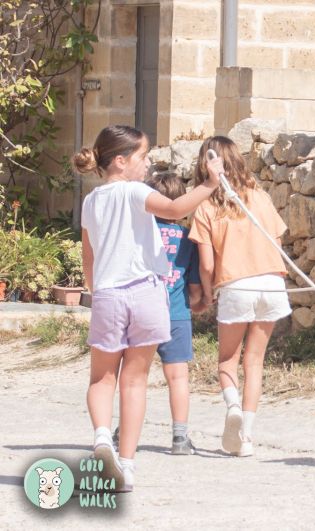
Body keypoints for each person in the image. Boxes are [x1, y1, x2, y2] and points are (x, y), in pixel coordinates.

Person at [75, 125, 222, 491]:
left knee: (101, 379)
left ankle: (101, 438)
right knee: (135, 380)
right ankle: (126, 466)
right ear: (121, 161)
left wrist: (98, 292)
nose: (149, 164)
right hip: (147, 294)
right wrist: (209, 185)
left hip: (108, 294)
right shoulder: (135, 191)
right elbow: (174, 208)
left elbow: (88, 260)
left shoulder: (91, 202)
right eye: (143, 156)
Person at [189, 136, 291, 457]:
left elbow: (206, 264)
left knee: (226, 361)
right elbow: (276, 243)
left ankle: (232, 406)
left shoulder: (205, 207)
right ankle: (246, 437)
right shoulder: (260, 197)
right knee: (255, 360)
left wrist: (206, 295)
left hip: (235, 286)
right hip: (273, 284)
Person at [113, 173, 206, 455]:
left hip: (142, 311)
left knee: (134, 375)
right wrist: (199, 302)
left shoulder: (140, 233)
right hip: (176, 313)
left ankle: (123, 431)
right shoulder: (188, 241)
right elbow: (193, 284)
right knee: (178, 376)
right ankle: (180, 438)